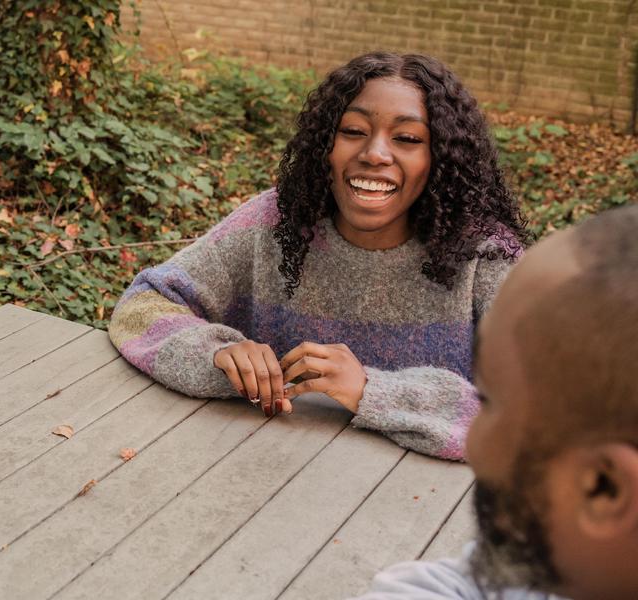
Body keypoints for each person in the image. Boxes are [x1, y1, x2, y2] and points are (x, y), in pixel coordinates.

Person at [108, 52, 528, 459]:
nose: (375, 153)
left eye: (408, 139)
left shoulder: (485, 256)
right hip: (262, 483)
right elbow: (142, 306)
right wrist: (215, 352)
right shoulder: (277, 221)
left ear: (439, 159)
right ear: (325, 144)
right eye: (353, 131)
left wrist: (370, 390)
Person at [358, 204, 638, 599]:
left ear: (604, 487)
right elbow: (466, 582)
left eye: (487, 401)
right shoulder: (557, 565)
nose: (472, 439)